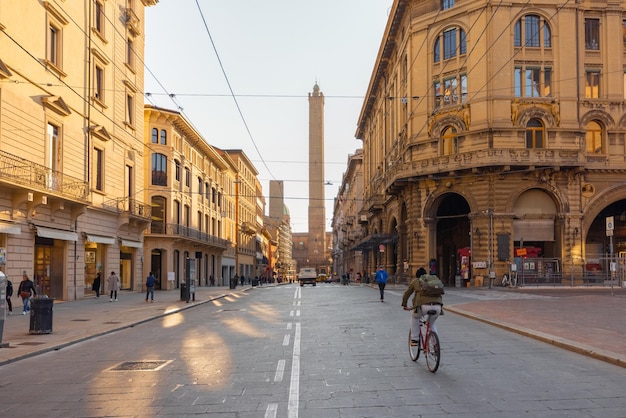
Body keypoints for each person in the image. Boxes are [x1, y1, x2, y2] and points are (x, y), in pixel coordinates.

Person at [401, 272, 444, 345]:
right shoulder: (434, 281)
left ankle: (414, 339)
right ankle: (435, 344)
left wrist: (404, 305)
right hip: (438, 306)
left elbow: (407, 294)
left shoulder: (416, 281)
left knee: (415, 318)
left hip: (422, 306)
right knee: (431, 324)